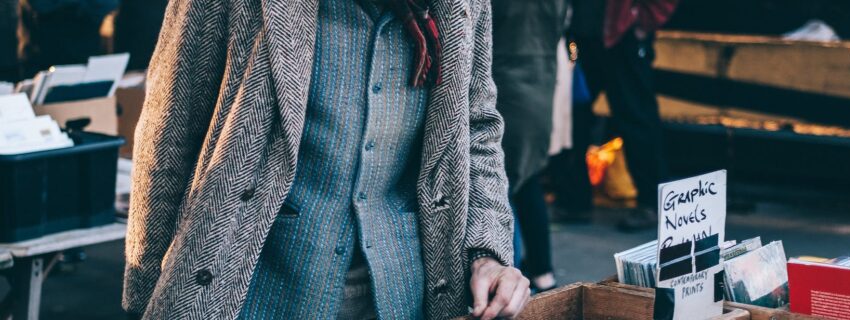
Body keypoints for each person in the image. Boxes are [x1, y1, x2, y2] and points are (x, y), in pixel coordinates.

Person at [123, 0, 528, 319]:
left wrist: (487, 254)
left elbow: (477, 129)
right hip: (249, 290)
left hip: (406, 294)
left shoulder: (464, 5)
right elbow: (170, 126)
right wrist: (144, 290)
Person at [555, 0, 677, 230]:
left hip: (623, 36)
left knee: (636, 118)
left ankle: (653, 203)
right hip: (580, 37)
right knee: (572, 115)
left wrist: (644, 22)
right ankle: (574, 201)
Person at [491, 0, 567, 293]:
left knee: (502, 183)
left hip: (505, 82)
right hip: (541, 81)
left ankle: (510, 275)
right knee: (527, 179)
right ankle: (542, 271)